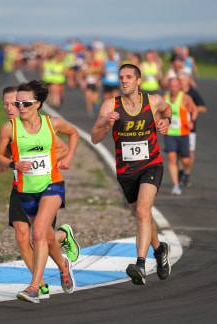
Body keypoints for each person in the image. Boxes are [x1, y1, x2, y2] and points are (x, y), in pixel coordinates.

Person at [0, 86, 80, 300]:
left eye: (24, 103)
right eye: (15, 103)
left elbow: (73, 134)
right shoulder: (9, 129)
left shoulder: (51, 124)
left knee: (37, 232)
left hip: (52, 185)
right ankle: (64, 265)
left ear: (38, 103)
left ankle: (35, 287)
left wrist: (68, 158)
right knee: (46, 238)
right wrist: (12, 164)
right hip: (25, 189)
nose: (18, 107)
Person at [91, 63, 172, 285]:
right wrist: (106, 125)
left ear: (138, 81)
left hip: (151, 164)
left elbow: (167, 108)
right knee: (142, 215)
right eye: (121, 77)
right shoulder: (110, 105)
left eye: (128, 77)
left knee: (144, 211)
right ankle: (159, 249)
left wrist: (166, 121)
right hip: (126, 170)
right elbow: (95, 138)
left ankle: (140, 264)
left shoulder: (152, 101)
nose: (123, 81)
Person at [163, 77, 198, 195]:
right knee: (171, 158)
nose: (173, 89)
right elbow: (158, 112)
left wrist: (191, 121)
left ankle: (184, 169)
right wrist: (159, 121)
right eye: (171, 86)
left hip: (183, 133)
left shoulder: (185, 98)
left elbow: (194, 110)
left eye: (175, 86)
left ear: (179, 87)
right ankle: (176, 185)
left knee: (186, 160)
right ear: (168, 87)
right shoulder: (165, 98)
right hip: (170, 133)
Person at [177, 70, 207, 187]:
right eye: (179, 80)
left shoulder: (193, 93)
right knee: (176, 151)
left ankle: (187, 173)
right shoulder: (175, 92)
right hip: (175, 127)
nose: (181, 82)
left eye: (183, 80)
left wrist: (192, 108)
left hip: (189, 127)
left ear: (189, 80)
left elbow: (203, 108)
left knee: (189, 152)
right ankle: (180, 170)